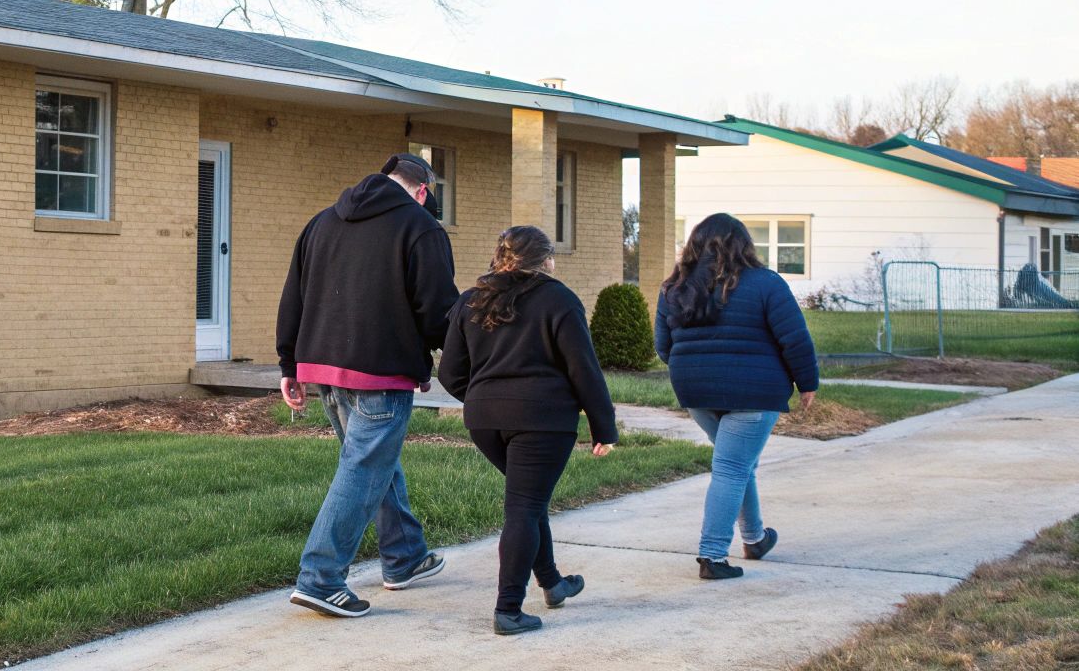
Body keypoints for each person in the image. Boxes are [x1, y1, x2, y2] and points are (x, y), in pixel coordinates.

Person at [276, 153, 460, 618]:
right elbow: (438, 310)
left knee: (374, 462)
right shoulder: (420, 227)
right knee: (363, 469)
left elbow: (293, 292)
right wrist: (452, 361)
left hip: (322, 369)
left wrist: (288, 363)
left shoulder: (321, 221)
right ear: (422, 191)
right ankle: (320, 578)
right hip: (381, 371)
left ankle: (404, 557)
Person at [438, 226, 618, 636]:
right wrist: (602, 426)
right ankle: (508, 609)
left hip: (485, 421)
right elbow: (583, 369)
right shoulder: (559, 299)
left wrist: (485, 398)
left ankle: (552, 583)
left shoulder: (471, 300)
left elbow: (450, 372)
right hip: (542, 421)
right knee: (524, 505)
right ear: (545, 260)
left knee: (528, 500)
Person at [655, 212, 820, 581]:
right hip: (754, 391)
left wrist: (697, 367)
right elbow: (794, 339)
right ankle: (712, 556)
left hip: (695, 391)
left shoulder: (674, 287)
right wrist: (807, 382)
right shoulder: (766, 283)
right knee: (731, 467)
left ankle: (755, 538)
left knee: (737, 463)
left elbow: (662, 347)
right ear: (744, 245)